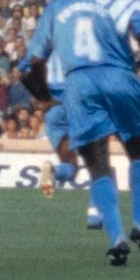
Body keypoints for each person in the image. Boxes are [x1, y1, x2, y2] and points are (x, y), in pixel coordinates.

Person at [19, 0, 140, 268]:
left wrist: (44, 97)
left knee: (97, 164)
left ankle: (116, 239)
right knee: (138, 152)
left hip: (78, 85)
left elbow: (29, 65)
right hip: (119, 76)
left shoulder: (58, 4)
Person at [35, 56, 102, 229]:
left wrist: (44, 100)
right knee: (97, 164)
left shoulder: (47, 53)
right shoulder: (81, 48)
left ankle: (55, 171)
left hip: (53, 112)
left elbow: (30, 73)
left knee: (70, 164)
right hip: (77, 108)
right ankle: (94, 214)